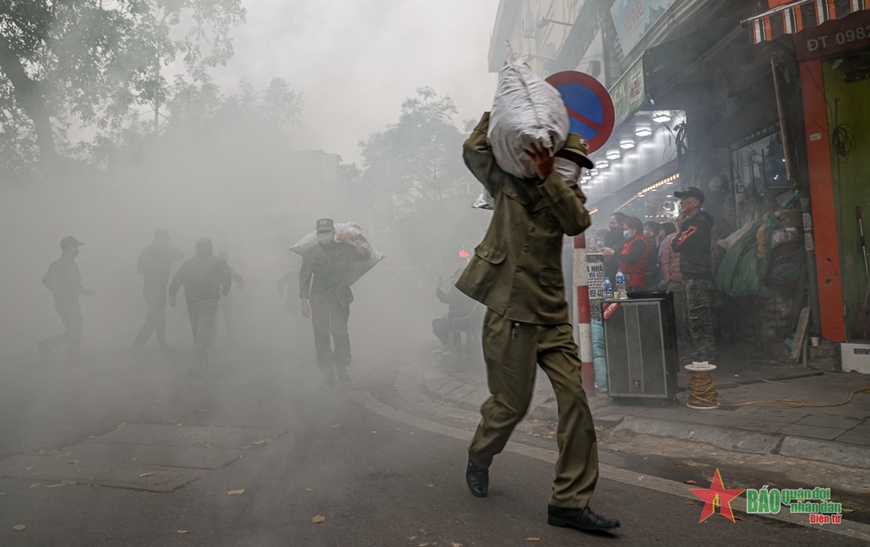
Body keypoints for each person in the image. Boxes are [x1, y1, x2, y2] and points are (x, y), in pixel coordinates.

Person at [456, 113, 619, 533]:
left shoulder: (568, 196)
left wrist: (552, 179)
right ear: (542, 158)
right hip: (509, 315)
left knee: (576, 405)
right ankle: (480, 454)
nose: (572, 173)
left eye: (576, 169)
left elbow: (577, 222)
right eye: (565, 163)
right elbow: (474, 152)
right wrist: (498, 115)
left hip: (551, 318)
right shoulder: (509, 187)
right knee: (510, 407)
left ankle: (568, 502)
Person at [299, 218, 370, 385]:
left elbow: (365, 255)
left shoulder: (344, 249)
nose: (324, 235)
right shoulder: (310, 252)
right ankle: (327, 371)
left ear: (333, 233)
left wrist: (349, 241)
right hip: (320, 299)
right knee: (321, 336)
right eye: (321, 232)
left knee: (340, 334)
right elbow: (304, 278)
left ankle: (341, 366)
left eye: (327, 232)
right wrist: (304, 301)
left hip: (341, 298)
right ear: (317, 234)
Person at [168, 237, 232, 377]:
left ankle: (196, 366)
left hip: (193, 302)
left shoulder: (188, 263)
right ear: (210, 247)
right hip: (209, 301)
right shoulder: (218, 262)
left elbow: (177, 279)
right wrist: (225, 290)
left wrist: (172, 295)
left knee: (198, 334)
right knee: (201, 335)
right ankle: (201, 363)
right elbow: (226, 277)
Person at [672, 187, 716, 363]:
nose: (681, 202)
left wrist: (682, 230)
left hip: (697, 275)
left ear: (696, 202)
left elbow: (677, 244)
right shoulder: (691, 222)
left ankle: (706, 355)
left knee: (698, 317)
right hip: (690, 274)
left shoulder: (698, 222)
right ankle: (697, 353)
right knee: (689, 317)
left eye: (685, 199)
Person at [39, 236, 96, 365]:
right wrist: (88, 292)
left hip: (61, 302)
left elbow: (46, 281)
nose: (77, 249)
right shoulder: (69, 265)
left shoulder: (56, 264)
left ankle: (48, 346)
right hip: (69, 303)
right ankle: (72, 361)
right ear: (70, 247)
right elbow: (74, 285)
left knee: (74, 330)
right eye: (76, 247)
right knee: (76, 330)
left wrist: (58, 291)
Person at [132, 229, 185, 355]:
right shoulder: (161, 251)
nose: (166, 241)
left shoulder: (149, 251)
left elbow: (181, 254)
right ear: (161, 238)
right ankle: (136, 346)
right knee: (154, 318)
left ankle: (162, 345)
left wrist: (161, 256)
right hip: (154, 289)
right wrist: (160, 259)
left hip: (153, 289)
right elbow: (139, 269)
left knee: (159, 317)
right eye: (166, 239)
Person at [432, 267, 476, 349]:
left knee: (436, 324)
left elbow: (445, 299)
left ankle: (448, 346)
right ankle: (456, 344)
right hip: (467, 320)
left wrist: (438, 289)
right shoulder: (470, 288)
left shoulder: (458, 290)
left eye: (455, 278)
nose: (453, 280)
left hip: (459, 320)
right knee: (445, 321)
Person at [602, 216, 650, 290]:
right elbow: (622, 257)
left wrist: (613, 253)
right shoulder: (630, 241)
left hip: (634, 281)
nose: (624, 232)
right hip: (625, 280)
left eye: (626, 229)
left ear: (635, 229)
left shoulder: (639, 242)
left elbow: (630, 259)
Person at [217, 251, 246, 341]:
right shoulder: (229, 269)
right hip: (226, 296)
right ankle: (231, 337)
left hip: (216, 296)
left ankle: (211, 338)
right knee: (227, 316)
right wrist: (240, 286)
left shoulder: (212, 269)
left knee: (214, 317)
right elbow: (241, 281)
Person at [603, 212, 627, 281]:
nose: (611, 226)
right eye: (610, 224)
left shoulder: (626, 238)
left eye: (613, 223)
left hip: (623, 272)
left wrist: (612, 253)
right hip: (610, 270)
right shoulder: (608, 235)